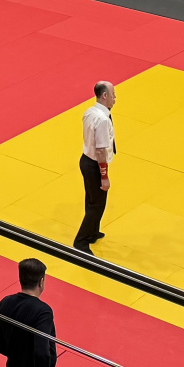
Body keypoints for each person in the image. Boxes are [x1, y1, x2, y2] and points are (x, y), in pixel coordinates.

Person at [74, 80, 116, 254]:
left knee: (91, 200)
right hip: (95, 164)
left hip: (86, 160)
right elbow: (100, 151)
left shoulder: (90, 112)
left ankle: (92, 232)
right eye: (113, 95)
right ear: (105, 96)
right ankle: (81, 241)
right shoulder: (103, 120)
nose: (115, 98)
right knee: (97, 204)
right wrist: (104, 177)